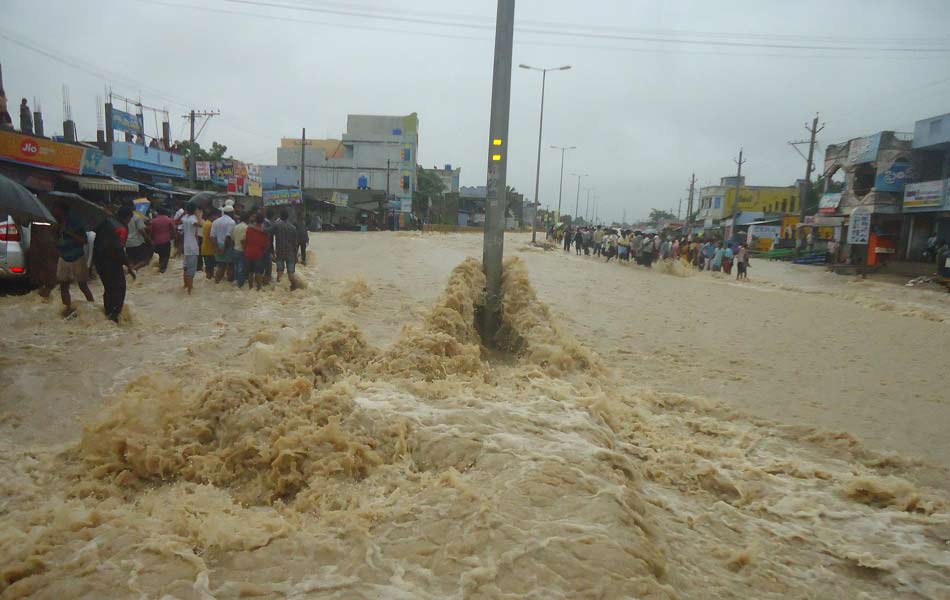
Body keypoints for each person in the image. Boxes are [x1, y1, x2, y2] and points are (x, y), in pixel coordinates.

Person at [51, 200, 94, 316]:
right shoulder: (56, 223)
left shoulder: (75, 223)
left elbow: (84, 240)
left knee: (82, 285)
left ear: (62, 210)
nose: (53, 211)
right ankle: (67, 309)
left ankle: (92, 308)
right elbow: (54, 240)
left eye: (56, 209)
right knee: (63, 285)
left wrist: (69, 232)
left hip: (77, 257)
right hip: (63, 257)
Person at [95, 209, 136, 322]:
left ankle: (108, 314)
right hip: (111, 262)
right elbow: (118, 249)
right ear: (127, 218)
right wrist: (128, 265)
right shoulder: (120, 228)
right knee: (119, 288)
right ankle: (114, 316)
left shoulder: (106, 222)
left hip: (98, 261)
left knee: (108, 288)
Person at [272, 209, 300, 289]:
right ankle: (294, 289)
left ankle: (278, 290)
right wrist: (296, 256)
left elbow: (268, 232)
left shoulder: (276, 226)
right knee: (291, 274)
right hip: (290, 253)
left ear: (280, 217)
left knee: (280, 272)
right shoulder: (293, 228)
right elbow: (295, 244)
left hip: (279, 252)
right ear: (288, 217)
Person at [180, 202, 203, 294]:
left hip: (186, 246)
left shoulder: (185, 218)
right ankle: (190, 291)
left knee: (186, 267)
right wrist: (198, 215)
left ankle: (185, 286)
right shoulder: (193, 218)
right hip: (192, 247)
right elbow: (200, 224)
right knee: (191, 271)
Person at [244, 213, 269, 291]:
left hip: (248, 252)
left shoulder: (249, 229)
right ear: (262, 222)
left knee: (250, 272)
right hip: (258, 253)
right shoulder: (264, 232)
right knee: (258, 271)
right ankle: (259, 288)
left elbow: (246, 240)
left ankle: (250, 287)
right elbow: (265, 245)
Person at [211, 204, 237, 283]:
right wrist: (224, 249)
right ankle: (229, 284)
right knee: (231, 265)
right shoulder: (231, 222)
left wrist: (216, 247)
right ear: (231, 213)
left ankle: (217, 282)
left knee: (221, 266)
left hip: (218, 244)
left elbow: (212, 236)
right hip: (228, 246)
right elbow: (228, 237)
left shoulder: (215, 221)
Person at [148, 207, 175, 273]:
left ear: (158, 213)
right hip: (166, 241)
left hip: (156, 242)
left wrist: (151, 240)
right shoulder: (169, 220)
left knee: (160, 254)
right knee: (166, 255)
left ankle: (160, 266)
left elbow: (150, 231)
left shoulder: (153, 221)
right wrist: (172, 236)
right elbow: (173, 230)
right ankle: (162, 268)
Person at [232, 211, 248, 288]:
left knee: (236, 266)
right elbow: (243, 241)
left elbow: (233, 238)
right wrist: (245, 250)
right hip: (241, 250)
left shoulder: (236, 226)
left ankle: (235, 280)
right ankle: (240, 284)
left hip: (235, 248)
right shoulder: (246, 227)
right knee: (241, 268)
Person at [200, 208, 218, 278]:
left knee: (208, 266)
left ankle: (209, 277)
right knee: (210, 267)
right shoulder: (210, 225)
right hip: (209, 249)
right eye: (216, 216)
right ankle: (209, 277)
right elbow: (212, 237)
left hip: (205, 248)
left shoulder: (206, 223)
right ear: (213, 216)